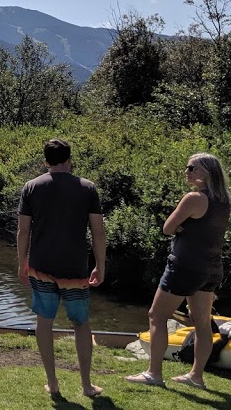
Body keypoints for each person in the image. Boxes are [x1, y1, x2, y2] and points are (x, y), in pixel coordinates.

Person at [125, 153, 231, 390]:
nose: (187, 171)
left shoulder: (194, 198)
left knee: (157, 315)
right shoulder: (224, 201)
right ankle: (196, 376)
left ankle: (154, 373)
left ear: (205, 172)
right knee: (202, 323)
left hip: (184, 267)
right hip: (212, 268)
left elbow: (167, 228)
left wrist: (181, 227)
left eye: (192, 168)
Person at [17, 138, 105, 398]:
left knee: (44, 321)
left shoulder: (31, 187)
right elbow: (98, 232)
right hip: (76, 266)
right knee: (81, 323)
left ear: (45, 161)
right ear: (69, 159)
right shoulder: (87, 188)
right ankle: (87, 385)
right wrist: (100, 265)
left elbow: (23, 231)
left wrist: (22, 262)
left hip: (41, 264)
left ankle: (52, 382)